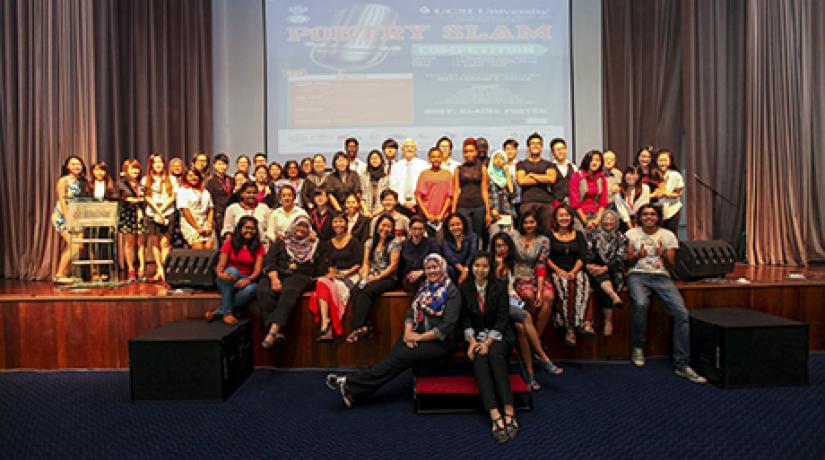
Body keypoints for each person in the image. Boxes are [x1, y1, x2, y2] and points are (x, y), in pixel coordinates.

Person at [325, 254, 461, 408]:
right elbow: (411, 312)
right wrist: (408, 332)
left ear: (442, 268)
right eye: (428, 268)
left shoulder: (452, 291)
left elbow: (447, 327)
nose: (431, 271)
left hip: (441, 341)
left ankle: (350, 383)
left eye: (435, 267)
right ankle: (354, 392)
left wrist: (418, 337)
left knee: (398, 357)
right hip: (417, 333)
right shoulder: (425, 286)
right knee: (393, 357)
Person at [626, 204, 706, 383]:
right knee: (640, 304)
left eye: (652, 214)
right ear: (640, 217)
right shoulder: (631, 234)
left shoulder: (668, 235)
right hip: (638, 275)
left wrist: (664, 254)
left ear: (658, 217)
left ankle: (682, 364)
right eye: (645, 214)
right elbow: (627, 263)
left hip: (662, 277)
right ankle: (638, 347)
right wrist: (637, 256)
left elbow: (672, 266)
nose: (648, 217)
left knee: (682, 313)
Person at [491, 232, 562, 391]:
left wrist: (516, 297)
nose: (501, 249)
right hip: (495, 306)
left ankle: (530, 376)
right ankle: (543, 357)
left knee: (521, 328)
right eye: (497, 246)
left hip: (509, 302)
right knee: (527, 317)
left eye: (504, 245)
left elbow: (509, 289)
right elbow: (493, 291)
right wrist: (498, 268)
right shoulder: (490, 263)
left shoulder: (511, 263)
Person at [460, 252, 519, 443]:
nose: (480, 270)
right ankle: (495, 414)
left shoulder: (499, 286)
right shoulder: (465, 287)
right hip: (476, 335)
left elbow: (503, 319)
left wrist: (487, 343)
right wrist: (473, 343)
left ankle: (509, 410)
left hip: (498, 334)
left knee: (494, 355)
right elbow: (465, 319)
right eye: (477, 266)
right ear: (471, 267)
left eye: (485, 266)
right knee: (479, 357)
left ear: (490, 268)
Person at [258, 215, 322, 347]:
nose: (301, 229)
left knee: (289, 291)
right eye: (299, 225)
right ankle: (275, 330)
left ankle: (273, 331)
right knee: (263, 290)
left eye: (305, 226)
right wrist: (274, 278)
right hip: (276, 273)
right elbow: (270, 261)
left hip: (299, 276)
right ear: (293, 226)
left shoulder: (313, 246)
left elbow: (314, 267)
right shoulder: (281, 242)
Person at [347, 214, 401, 343]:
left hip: (388, 277)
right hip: (371, 275)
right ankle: (365, 326)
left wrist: (376, 278)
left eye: (388, 226)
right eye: (383, 225)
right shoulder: (369, 242)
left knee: (366, 291)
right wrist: (365, 277)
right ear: (377, 227)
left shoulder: (395, 242)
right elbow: (366, 263)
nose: (385, 229)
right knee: (355, 290)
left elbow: (393, 266)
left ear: (392, 228)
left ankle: (358, 327)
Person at [309, 213, 363, 342]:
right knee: (322, 281)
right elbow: (328, 263)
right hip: (336, 274)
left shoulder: (354, 241)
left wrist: (345, 274)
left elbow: (358, 264)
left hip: (352, 274)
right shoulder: (328, 243)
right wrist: (331, 272)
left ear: (346, 224)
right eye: (335, 222)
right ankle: (325, 324)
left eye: (340, 221)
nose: (338, 224)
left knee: (331, 286)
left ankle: (328, 327)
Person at [206, 216, 264, 325]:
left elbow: (257, 270)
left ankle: (219, 311)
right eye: (246, 228)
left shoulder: (258, 246)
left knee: (252, 289)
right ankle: (227, 313)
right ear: (240, 228)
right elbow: (220, 265)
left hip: (246, 279)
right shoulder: (230, 243)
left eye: (252, 229)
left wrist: (248, 280)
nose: (249, 231)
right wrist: (221, 274)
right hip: (228, 277)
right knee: (233, 271)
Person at [507, 211, 554, 346]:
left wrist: (539, 290)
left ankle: (535, 339)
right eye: (526, 222)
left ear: (537, 223)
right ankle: (532, 337)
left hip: (536, 276)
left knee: (548, 297)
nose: (529, 225)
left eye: (532, 222)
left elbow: (541, 265)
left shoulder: (544, 240)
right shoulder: (514, 236)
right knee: (528, 296)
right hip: (519, 275)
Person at [547, 205, 591, 347]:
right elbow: (546, 257)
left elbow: (582, 256)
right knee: (565, 289)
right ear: (555, 218)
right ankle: (569, 328)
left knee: (581, 286)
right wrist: (559, 271)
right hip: (556, 270)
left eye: (567, 215)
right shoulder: (549, 235)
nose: (564, 218)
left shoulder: (578, 234)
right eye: (561, 215)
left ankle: (579, 323)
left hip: (576, 269)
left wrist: (573, 271)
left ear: (572, 217)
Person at [585, 210, 627, 336]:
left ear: (616, 222)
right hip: (595, 269)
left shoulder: (621, 237)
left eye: (611, 219)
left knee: (603, 279)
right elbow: (588, 254)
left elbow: (620, 258)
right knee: (599, 278)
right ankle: (610, 313)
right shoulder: (593, 235)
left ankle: (608, 319)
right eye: (605, 219)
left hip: (613, 270)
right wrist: (591, 265)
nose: (608, 222)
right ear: (601, 221)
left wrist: (605, 268)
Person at [52, 155, 87, 283]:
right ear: (67, 166)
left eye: (79, 164)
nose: (76, 166)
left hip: (78, 215)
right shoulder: (64, 180)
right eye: (73, 164)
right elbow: (62, 199)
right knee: (74, 245)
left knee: (79, 246)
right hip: (64, 215)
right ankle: (59, 275)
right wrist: (68, 218)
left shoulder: (83, 181)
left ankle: (65, 274)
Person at [142, 154, 176, 282]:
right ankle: (159, 269)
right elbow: (146, 197)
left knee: (165, 242)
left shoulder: (171, 179)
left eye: (160, 162)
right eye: (155, 163)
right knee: (155, 243)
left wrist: (162, 210)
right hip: (152, 213)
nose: (158, 165)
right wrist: (156, 210)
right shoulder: (145, 180)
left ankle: (166, 269)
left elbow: (173, 196)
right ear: (151, 165)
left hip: (167, 212)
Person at [516, 132, 556, 235]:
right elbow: (521, 181)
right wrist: (543, 177)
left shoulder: (549, 164)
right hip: (527, 202)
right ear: (528, 147)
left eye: (538, 144)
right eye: (532, 144)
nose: (535, 146)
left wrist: (532, 175)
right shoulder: (521, 164)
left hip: (546, 203)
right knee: (527, 232)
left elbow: (551, 179)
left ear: (542, 147)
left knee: (546, 232)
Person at [452, 138, 490, 245]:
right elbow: (455, 191)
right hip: (463, 206)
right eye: (466, 151)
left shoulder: (482, 168)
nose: (468, 154)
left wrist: (487, 212)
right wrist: (453, 211)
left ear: (476, 152)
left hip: (479, 206)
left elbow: (484, 190)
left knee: (477, 236)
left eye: (471, 151)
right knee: (465, 235)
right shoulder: (458, 169)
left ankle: (475, 259)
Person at [117, 159, 147, 282]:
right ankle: (130, 269)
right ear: (126, 170)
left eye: (137, 168)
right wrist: (138, 200)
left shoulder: (143, 182)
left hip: (141, 214)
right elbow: (124, 197)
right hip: (128, 215)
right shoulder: (121, 183)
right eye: (132, 169)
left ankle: (142, 269)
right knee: (129, 243)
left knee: (142, 243)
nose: (135, 171)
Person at [415, 147, 453, 236]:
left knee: (441, 242)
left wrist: (442, 214)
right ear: (429, 158)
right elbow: (418, 196)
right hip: (426, 215)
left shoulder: (447, 174)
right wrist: (427, 214)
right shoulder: (424, 174)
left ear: (442, 158)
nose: (436, 159)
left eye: (438, 157)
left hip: (443, 216)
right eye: (433, 157)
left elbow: (449, 196)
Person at [569, 150, 609, 231]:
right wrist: (586, 221)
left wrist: (597, 219)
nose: (594, 162)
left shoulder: (601, 177)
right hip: (579, 214)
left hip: (597, 213)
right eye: (591, 160)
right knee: (581, 233)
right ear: (586, 161)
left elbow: (603, 201)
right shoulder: (577, 176)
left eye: (597, 160)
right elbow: (575, 202)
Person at [399, 215, 440, 293]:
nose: (417, 232)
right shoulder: (404, 244)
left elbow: (438, 261)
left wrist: (422, 272)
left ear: (424, 230)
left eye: (420, 229)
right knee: (414, 284)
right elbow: (401, 267)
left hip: (428, 273)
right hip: (409, 276)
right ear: (410, 229)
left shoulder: (431, 243)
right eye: (414, 229)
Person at [177, 167, 215, 249]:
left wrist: (208, 224)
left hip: (204, 221)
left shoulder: (205, 191)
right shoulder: (183, 191)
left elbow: (211, 209)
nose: (193, 177)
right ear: (185, 177)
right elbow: (185, 211)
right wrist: (197, 228)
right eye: (190, 175)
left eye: (195, 175)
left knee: (209, 246)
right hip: (190, 223)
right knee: (199, 247)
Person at [222, 181, 271, 246]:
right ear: (242, 194)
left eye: (254, 193)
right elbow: (228, 229)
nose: (251, 195)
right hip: (238, 247)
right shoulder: (232, 208)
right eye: (248, 193)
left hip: (260, 246)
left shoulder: (264, 208)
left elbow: (269, 229)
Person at [649, 149, 684, 235]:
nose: (662, 163)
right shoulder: (652, 175)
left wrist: (666, 194)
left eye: (665, 160)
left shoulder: (675, 175)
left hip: (672, 210)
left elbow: (679, 193)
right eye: (660, 160)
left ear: (670, 161)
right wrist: (654, 195)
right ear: (656, 161)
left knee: (671, 235)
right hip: (656, 210)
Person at [390, 138, 427, 217]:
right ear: (402, 149)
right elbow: (393, 187)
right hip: (400, 205)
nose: (409, 149)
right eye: (407, 146)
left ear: (416, 150)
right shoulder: (396, 166)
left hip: (419, 205)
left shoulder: (423, 165)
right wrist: (403, 202)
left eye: (412, 147)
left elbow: (425, 187)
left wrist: (414, 202)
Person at [441, 212, 479, 284]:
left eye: (458, 224)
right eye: (452, 225)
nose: (456, 227)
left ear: (463, 224)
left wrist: (466, 270)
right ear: (448, 227)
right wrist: (463, 271)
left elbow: (472, 255)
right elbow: (451, 258)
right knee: (448, 268)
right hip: (454, 270)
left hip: (469, 267)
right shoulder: (445, 240)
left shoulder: (473, 236)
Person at [205, 153, 234, 245]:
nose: (222, 166)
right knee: (222, 240)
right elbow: (210, 200)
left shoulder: (231, 179)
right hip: (218, 214)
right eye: (219, 164)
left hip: (231, 212)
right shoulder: (211, 181)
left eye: (224, 164)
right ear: (214, 165)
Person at [487, 150, 516, 241]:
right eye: (497, 157)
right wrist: (491, 209)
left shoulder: (508, 177)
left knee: (508, 240)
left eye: (502, 158)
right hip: (494, 214)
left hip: (507, 212)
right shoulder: (488, 175)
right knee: (494, 238)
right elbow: (486, 194)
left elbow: (512, 193)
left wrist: (507, 174)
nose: (499, 160)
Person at [615, 165, 650, 232]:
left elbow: (643, 206)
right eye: (630, 173)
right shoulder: (618, 190)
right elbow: (622, 211)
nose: (632, 176)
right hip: (624, 222)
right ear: (624, 175)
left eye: (635, 174)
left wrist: (637, 224)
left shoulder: (645, 188)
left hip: (640, 220)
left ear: (639, 176)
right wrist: (631, 228)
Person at [359, 150, 391, 218]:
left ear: (381, 160)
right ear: (369, 161)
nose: (374, 160)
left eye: (377, 158)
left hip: (381, 212)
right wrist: (365, 211)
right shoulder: (363, 176)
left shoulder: (386, 178)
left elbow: (387, 198)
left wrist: (376, 213)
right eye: (372, 158)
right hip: (365, 212)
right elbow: (361, 196)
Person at [549, 138, 577, 208]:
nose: (561, 151)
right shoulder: (550, 168)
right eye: (558, 150)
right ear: (553, 152)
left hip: (572, 204)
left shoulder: (573, 167)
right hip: (555, 204)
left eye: (562, 148)